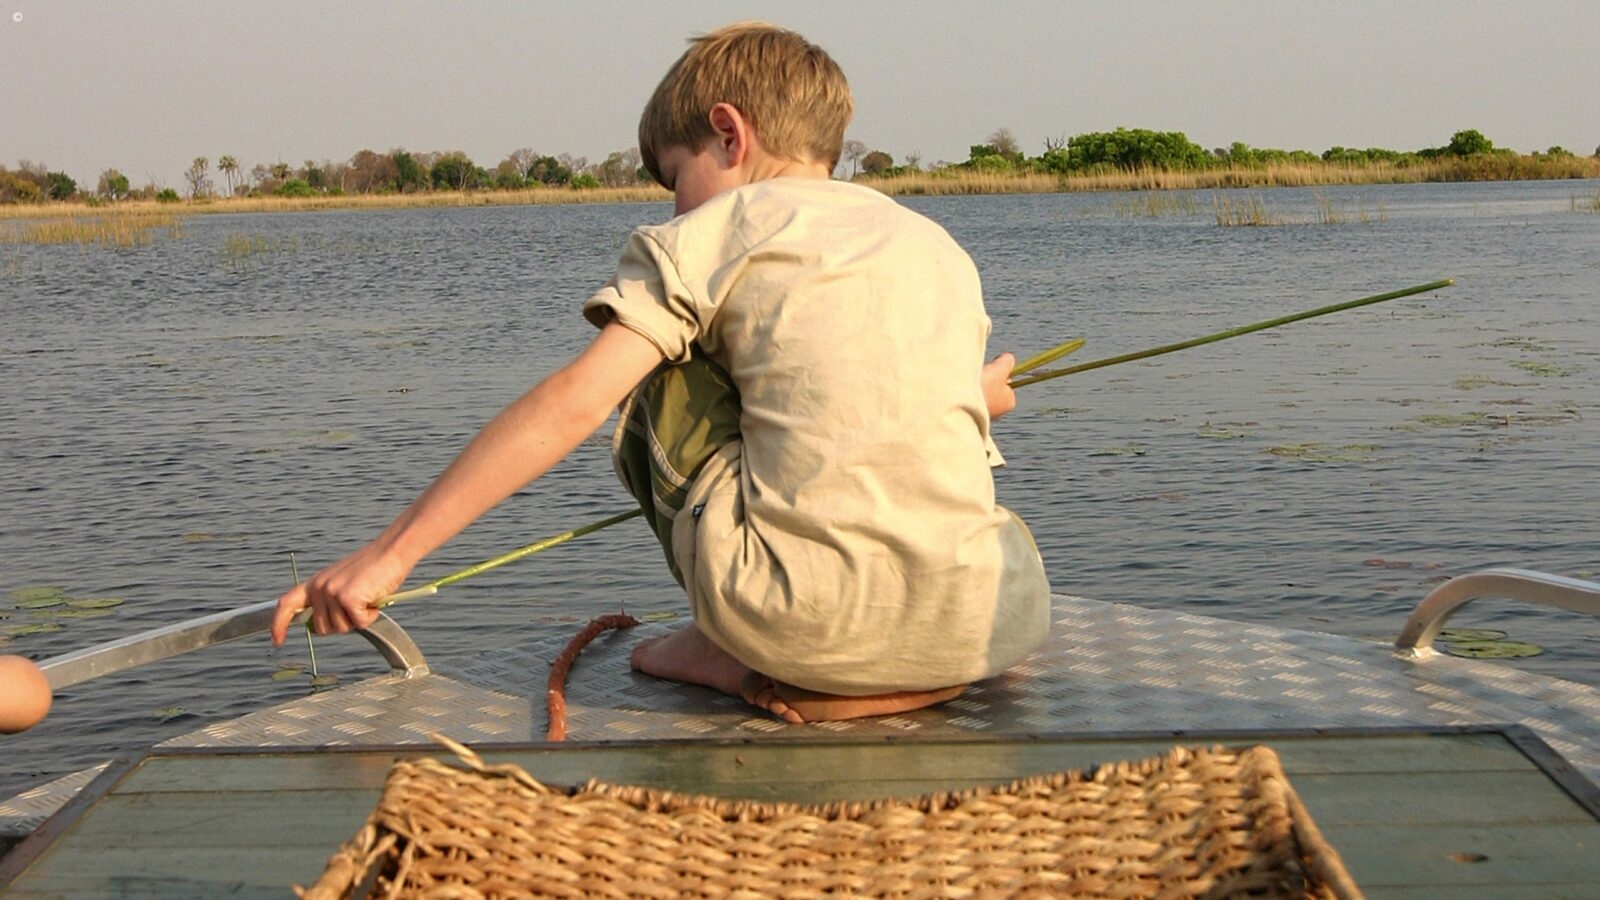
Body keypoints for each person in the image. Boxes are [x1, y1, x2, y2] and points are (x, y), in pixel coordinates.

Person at [271, 22, 1050, 724]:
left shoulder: (712, 232)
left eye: (676, 176)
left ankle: (732, 646)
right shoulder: (933, 244)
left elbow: (572, 405)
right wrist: (967, 397)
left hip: (795, 619)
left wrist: (391, 553)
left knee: (650, 363)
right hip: (994, 612)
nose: (677, 208)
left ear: (727, 134)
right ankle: (911, 672)